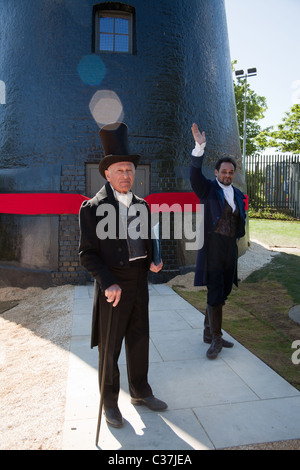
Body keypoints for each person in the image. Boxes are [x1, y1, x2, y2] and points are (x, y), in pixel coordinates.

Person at [79, 122, 167, 428]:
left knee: (140, 339)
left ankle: (140, 391)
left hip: (139, 283)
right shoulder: (92, 208)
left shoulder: (142, 205)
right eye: (120, 170)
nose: (126, 175)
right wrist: (108, 281)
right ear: (107, 173)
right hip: (112, 288)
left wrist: (155, 261)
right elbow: (87, 254)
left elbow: (148, 242)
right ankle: (110, 403)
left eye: (130, 170)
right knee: (110, 346)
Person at [190, 123, 246, 360]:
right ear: (216, 172)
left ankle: (207, 331)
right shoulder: (208, 190)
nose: (227, 175)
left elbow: (239, 220)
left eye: (231, 172)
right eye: (223, 171)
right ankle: (216, 338)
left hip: (229, 249)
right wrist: (199, 148)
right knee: (214, 292)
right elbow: (194, 175)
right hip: (212, 248)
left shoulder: (240, 195)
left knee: (222, 292)